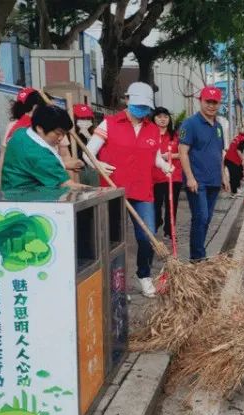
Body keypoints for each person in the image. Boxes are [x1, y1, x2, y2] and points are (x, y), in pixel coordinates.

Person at [85, 82, 173, 298]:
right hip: (113, 190)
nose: (142, 110)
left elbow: (154, 156)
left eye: (145, 107)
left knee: (147, 236)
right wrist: (97, 164)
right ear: (127, 100)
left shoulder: (152, 129)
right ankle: (116, 283)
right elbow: (88, 152)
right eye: (138, 105)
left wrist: (164, 166)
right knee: (114, 240)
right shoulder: (109, 124)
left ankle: (144, 276)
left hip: (142, 191)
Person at [179, 86, 230, 261]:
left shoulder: (218, 126)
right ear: (200, 101)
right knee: (201, 217)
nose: (211, 106)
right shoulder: (190, 124)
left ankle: (198, 253)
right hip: (197, 181)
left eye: (215, 102)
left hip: (214, 180)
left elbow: (219, 153)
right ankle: (197, 258)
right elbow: (183, 152)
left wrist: (223, 176)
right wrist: (190, 178)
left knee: (206, 219)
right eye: (208, 101)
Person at [0, 104, 85, 192]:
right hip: (28, 196)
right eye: (58, 133)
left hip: (9, 190)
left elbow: (32, 165)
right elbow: (68, 185)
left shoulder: (20, 133)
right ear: (40, 128)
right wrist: (94, 191)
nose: (61, 138)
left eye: (64, 134)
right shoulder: (40, 155)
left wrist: (65, 165)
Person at [0, 87, 45, 189]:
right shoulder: (40, 126)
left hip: (16, 181)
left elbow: (3, 156)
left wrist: (0, 183)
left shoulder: (13, 125)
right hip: (34, 181)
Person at [152, 107, 183, 241]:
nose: (163, 119)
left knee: (172, 204)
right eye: (159, 117)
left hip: (173, 176)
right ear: (154, 118)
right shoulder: (150, 134)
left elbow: (183, 153)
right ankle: (156, 221)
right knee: (156, 204)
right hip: (155, 176)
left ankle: (169, 231)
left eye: (165, 116)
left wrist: (170, 155)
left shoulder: (176, 135)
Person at [72, 103, 99, 187]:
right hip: (77, 171)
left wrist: (89, 137)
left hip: (93, 170)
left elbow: (97, 154)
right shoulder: (69, 135)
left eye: (88, 118)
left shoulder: (95, 134)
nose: (85, 121)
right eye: (82, 118)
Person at [224, 128, 244, 196]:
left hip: (229, 158)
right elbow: (238, 150)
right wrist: (243, 160)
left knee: (238, 174)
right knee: (234, 176)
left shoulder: (238, 137)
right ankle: (233, 193)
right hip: (232, 160)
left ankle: (236, 190)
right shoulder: (243, 139)